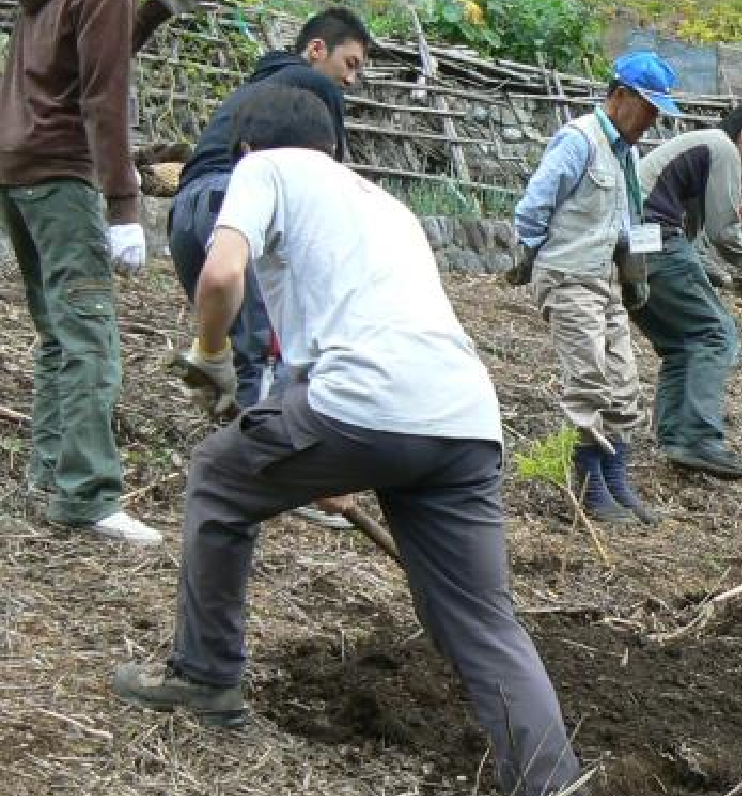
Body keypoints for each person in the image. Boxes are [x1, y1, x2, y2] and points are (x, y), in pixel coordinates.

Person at [112, 85, 584, 796]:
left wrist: (209, 354)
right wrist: (320, 462)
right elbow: (351, 333)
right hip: (463, 421)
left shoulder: (262, 170)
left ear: (244, 147)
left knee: (215, 478)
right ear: (335, 148)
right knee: (483, 622)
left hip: (367, 404)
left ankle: (205, 677)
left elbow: (220, 272)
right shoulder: (382, 205)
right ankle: (553, 782)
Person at [0, 0, 160, 543]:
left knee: (57, 334)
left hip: (18, 168)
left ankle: (49, 475)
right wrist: (124, 205)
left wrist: (153, 14)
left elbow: (83, 64)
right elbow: (102, 94)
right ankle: (88, 495)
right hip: (62, 174)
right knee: (90, 335)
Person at [168, 7, 370, 411]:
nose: (350, 79)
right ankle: (256, 452)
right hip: (235, 197)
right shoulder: (312, 87)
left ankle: (227, 438)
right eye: (350, 63)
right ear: (316, 49)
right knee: (265, 349)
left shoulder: (252, 87)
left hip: (186, 212)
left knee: (233, 342)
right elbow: (327, 175)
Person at [512, 51, 679, 526]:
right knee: (587, 380)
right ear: (620, 95)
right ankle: (589, 483)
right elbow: (534, 206)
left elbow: (626, 224)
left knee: (623, 381)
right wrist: (535, 256)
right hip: (570, 276)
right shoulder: (578, 140)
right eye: (647, 107)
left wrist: (635, 274)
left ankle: (615, 476)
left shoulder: (627, 155)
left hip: (605, 279)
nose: (651, 120)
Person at [632, 101, 742, 479]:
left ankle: (673, 437)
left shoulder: (696, 150)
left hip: (633, 246)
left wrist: (721, 278)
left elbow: (686, 242)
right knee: (716, 334)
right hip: (655, 241)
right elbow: (724, 232)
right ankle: (699, 439)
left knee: (679, 344)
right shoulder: (721, 147)